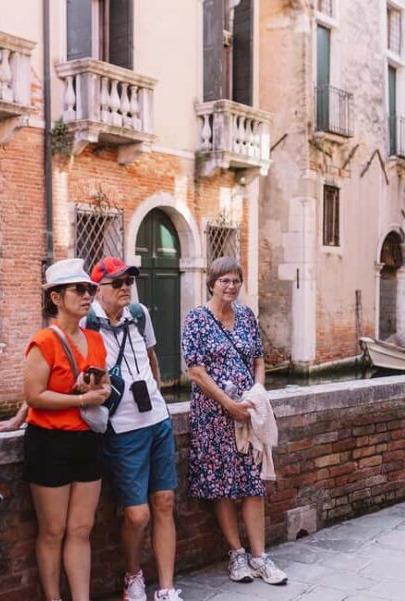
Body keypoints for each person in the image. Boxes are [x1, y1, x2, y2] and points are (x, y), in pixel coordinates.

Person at [181, 256, 287, 586]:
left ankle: (260, 556)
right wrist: (229, 404)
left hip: (247, 413)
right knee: (221, 485)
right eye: (224, 280)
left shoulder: (246, 316)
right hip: (212, 414)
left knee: (253, 484)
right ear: (211, 283)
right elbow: (195, 371)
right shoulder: (196, 319)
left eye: (236, 280)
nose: (230, 286)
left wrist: (257, 394)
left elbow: (258, 360)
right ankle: (236, 554)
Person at [83, 257, 181, 601]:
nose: (126, 288)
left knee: (165, 502)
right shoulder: (85, 324)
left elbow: (152, 360)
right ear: (98, 289)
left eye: (129, 282)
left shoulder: (139, 314)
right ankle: (133, 575)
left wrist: (158, 396)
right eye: (118, 283)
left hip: (157, 421)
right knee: (137, 515)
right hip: (122, 429)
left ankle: (167, 588)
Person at [23, 258, 111, 601]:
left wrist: (100, 390)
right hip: (49, 442)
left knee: (81, 527)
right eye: (79, 289)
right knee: (53, 529)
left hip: (87, 440)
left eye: (90, 288)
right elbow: (33, 396)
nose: (88, 294)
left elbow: (100, 386)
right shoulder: (43, 341)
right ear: (57, 298)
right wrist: (81, 399)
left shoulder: (95, 339)